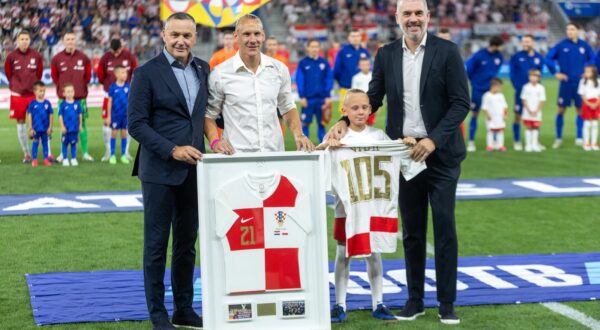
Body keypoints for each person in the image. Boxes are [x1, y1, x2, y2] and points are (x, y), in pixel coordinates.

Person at [328, 0, 469, 324]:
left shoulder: (447, 51)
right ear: (397, 18)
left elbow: (461, 102)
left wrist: (433, 140)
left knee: (445, 226)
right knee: (412, 230)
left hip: (441, 154)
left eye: (419, 13)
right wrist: (345, 123)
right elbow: (373, 98)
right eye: (407, 13)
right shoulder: (386, 54)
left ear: (428, 17)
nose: (413, 19)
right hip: (402, 154)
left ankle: (446, 303)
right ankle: (415, 300)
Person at [128, 12, 208, 330]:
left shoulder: (204, 69)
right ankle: (158, 314)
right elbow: (136, 124)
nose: (180, 41)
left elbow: (204, 116)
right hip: (159, 170)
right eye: (175, 34)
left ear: (195, 37)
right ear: (163, 34)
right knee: (156, 245)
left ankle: (184, 309)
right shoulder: (146, 73)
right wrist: (172, 149)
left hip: (194, 170)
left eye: (187, 35)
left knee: (187, 243)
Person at [320, 89, 414, 323]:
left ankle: (378, 303)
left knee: (374, 252)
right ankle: (339, 304)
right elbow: (319, 162)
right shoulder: (337, 139)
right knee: (344, 252)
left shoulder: (379, 136)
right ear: (344, 111)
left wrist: (406, 145)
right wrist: (326, 148)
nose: (360, 111)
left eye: (364, 107)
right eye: (354, 108)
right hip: (348, 207)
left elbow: (401, 156)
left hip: (374, 206)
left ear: (370, 109)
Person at [205, 14, 314, 154]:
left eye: (257, 34)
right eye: (246, 34)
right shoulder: (220, 74)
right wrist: (215, 141)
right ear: (236, 36)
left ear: (263, 36)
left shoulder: (279, 69)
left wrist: (299, 134)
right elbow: (209, 114)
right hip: (236, 156)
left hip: (274, 153)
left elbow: (287, 106)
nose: (253, 40)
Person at [545, 22, 595, 149]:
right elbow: (548, 58)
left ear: (578, 31)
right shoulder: (561, 45)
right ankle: (558, 138)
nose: (569, 31)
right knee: (561, 110)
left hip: (580, 84)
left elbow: (592, 59)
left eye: (572, 29)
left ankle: (579, 137)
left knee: (580, 110)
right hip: (565, 83)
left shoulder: (585, 46)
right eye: (568, 29)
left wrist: (587, 71)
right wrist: (555, 72)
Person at [51, 30, 93, 162]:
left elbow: (88, 77)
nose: (70, 41)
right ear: (63, 41)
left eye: (72, 39)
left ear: (76, 41)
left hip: (80, 99)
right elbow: (54, 77)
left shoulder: (84, 58)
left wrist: (80, 87)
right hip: (63, 100)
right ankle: (63, 154)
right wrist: (64, 90)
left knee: (82, 125)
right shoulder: (57, 59)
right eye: (67, 39)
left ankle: (85, 153)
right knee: (64, 126)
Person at [4, 29, 44, 163]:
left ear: (30, 40)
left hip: (33, 94)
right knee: (20, 122)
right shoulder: (11, 57)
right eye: (22, 39)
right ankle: (26, 153)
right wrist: (17, 85)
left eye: (26, 39)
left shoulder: (37, 56)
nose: (24, 41)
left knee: (38, 123)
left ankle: (41, 152)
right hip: (18, 95)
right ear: (17, 40)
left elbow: (39, 73)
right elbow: (9, 74)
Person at [97, 38, 138, 161]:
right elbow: (100, 75)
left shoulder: (129, 56)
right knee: (106, 122)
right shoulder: (105, 58)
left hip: (126, 94)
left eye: (117, 51)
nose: (115, 54)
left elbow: (136, 71)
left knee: (126, 127)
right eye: (113, 52)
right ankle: (109, 152)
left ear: (121, 48)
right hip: (108, 94)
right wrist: (108, 84)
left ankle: (125, 152)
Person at [465, 36, 504, 152]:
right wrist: (475, 82)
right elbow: (469, 69)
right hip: (478, 89)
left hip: (492, 91)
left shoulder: (499, 56)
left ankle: (495, 141)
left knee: (494, 115)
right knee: (475, 114)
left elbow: (496, 70)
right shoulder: (479, 55)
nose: (502, 48)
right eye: (501, 46)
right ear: (496, 45)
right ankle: (471, 142)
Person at [509, 35, 545, 151]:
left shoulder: (538, 57)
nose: (525, 43)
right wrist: (517, 86)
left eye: (528, 41)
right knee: (517, 115)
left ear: (533, 43)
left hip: (534, 93)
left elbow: (540, 73)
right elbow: (512, 73)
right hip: (521, 92)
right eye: (524, 41)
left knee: (536, 117)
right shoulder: (516, 56)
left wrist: (537, 86)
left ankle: (535, 142)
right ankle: (517, 141)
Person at [295, 39, 333, 142]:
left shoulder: (324, 62)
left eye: (316, 46)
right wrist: (302, 96)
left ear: (319, 48)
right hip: (308, 100)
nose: (314, 49)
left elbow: (329, 79)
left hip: (321, 100)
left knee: (322, 124)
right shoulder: (303, 63)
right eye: (312, 46)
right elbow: (300, 80)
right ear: (308, 48)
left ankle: (323, 146)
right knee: (305, 124)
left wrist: (328, 95)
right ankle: (304, 148)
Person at [334, 29, 371, 114]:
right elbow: (336, 71)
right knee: (345, 115)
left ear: (360, 38)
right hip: (346, 88)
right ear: (348, 38)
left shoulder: (365, 52)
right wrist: (342, 83)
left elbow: (370, 70)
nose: (355, 38)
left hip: (363, 90)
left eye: (357, 36)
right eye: (353, 36)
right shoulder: (342, 52)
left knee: (363, 116)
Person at [26, 81, 53, 167]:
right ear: (35, 91)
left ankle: (46, 159)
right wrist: (30, 128)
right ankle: (34, 160)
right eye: (40, 91)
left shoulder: (47, 103)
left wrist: (50, 127)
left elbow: (51, 115)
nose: (42, 93)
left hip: (45, 129)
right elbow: (29, 115)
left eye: (44, 91)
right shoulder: (32, 104)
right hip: (36, 129)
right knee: (35, 143)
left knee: (45, 144)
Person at [107, 65, 130, 164]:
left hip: (125, 115)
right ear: (116, 74)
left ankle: (123, 155)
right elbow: (109, 102)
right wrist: (108, 116)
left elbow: (131, 101)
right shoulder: (113, 87)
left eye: (126, 72)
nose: (125, 75)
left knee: (124, 134)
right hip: (115, 115)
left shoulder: (128, 86)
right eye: (123, 72)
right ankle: (112, 155)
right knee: (114, 134)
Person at [521, 69, 546, 152]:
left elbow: (542, 100)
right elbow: (524, 99)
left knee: (535, 127)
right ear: (529, 77)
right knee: (528, 127)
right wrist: (529, 110)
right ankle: (528, 145)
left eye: (536, 76)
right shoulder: (526, 87)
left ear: (539, 78)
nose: (534, 78)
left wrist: (537, 110)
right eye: (532, 76)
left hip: (537, 112)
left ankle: (534, 144)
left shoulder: (541, 88)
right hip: (527, 111)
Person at [58, 84, 83, 167]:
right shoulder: (63, 104)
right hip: (66, 129)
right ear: (64, 94)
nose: (70, 93)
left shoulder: (77, 103)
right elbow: (60, 116)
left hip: (74, 129)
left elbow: (80, 115)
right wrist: (62, 126)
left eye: (72, 91)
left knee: (73, 144)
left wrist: (80, 126)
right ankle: (65, 159)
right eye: (68, 92)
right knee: (64, 144)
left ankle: (73, 158)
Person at [481, 78, 508, 152]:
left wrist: (505, 115)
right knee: (490, 131)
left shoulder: (501, 96)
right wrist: (487, 114)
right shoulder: (487, 96)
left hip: (500, 117)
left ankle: (500, 145)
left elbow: (505, 106)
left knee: (500, 131)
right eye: (499, 87)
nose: (500, 89)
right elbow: (484, 107)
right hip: (491, 117)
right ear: (494, 86)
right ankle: (490, 146)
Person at [578, 65, 600, 151]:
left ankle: (594, 143)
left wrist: (596, 103)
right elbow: (582, 95)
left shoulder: (598, 81)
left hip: (596, 103)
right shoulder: (583, 82)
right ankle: (586, 143)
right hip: (587, 104)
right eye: (585, 71)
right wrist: (589, 103)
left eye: (588, 71)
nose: (586, 73)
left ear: (593, 72)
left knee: (594, 124)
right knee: (587, 124)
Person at [351, 57, 377, 126]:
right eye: (362, 65)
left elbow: (377, 91)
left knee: (370, 124)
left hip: (371, 104)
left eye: (366, 64)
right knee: (360, 124)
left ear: (370, 65)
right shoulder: (356, 78)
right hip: (360, 105)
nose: (365, 67)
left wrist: (378, 106)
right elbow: (353, 93)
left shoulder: (374, 76)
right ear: (359, 66)